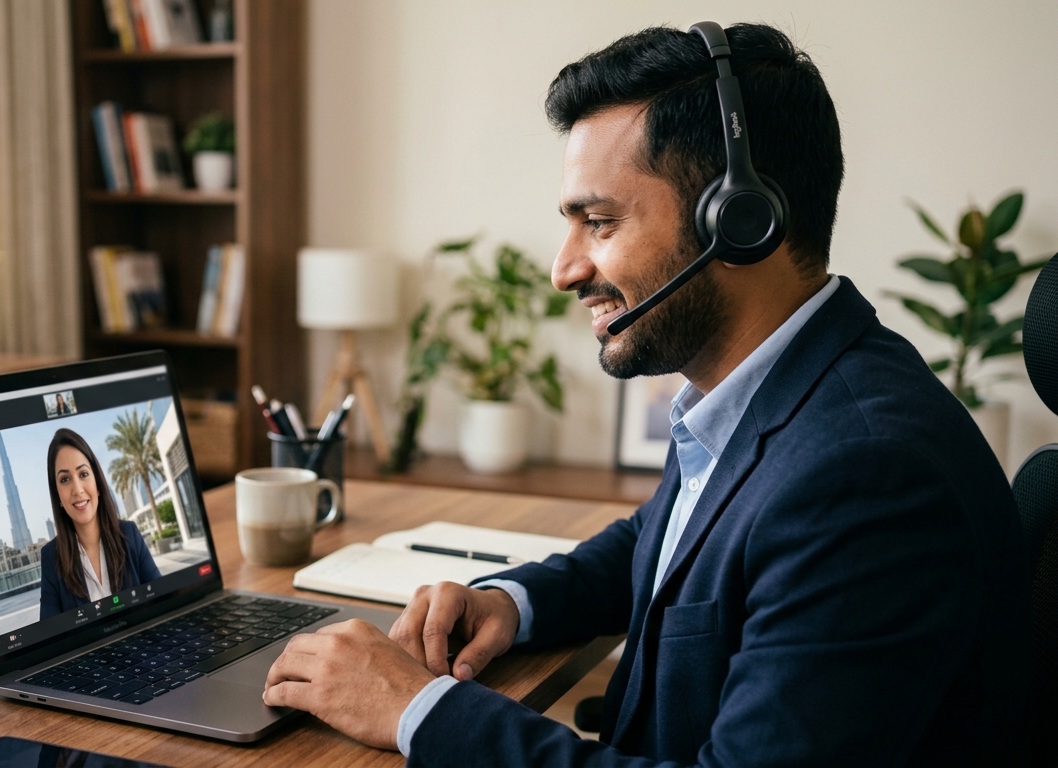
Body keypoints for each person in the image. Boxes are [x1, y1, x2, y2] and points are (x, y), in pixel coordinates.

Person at [260, 23, 1031, 766]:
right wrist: (511, 604)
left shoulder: (866, 474)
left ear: (740, 223)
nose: (564, 269)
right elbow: (666, 543)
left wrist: (416, 710)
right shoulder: (783, 392)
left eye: (598, 221)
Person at [39, 428, 161, 620]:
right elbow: (49, 639)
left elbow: (165, 604)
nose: (77, 490)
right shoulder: (51, 557)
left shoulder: (130, 535)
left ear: (97, 483)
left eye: (84, 474)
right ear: (58, 495)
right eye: (65, 479)